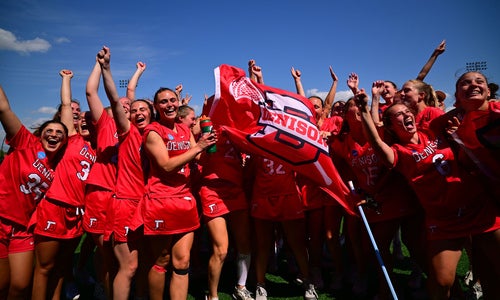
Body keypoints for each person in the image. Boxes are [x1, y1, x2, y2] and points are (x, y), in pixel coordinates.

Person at [355, 88, 500, 299]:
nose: (406, 115)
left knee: (492, 275)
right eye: (398, 114)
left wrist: (480, 95)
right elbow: (377, 143)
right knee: (441, 283)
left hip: (477, 209)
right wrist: (364, 110)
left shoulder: (432, 128)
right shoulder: (398, 153)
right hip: (444, 221)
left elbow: (463, 111)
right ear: (390, 125)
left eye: (407, 111)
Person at [330, 96, 425, 299]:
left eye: (358, 105)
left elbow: (397, 162)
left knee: (416, 245)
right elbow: (341, 169)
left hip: (398, 197)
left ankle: (436, 285)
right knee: (375, 249)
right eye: (351, 105)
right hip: (373, 202)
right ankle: (385, 289)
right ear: (344, 115)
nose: (356, 108)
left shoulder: (382, 133)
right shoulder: (342, 142)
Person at [142, 86, 217, 300]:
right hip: (161, 201)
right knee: (162, 260)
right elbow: (165, 166)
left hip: (185, 200)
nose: (169, 105)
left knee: (183, 262)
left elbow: (199, 158)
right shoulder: (153, 131)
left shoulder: (183, 129)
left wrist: (210, 146)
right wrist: (198, 147)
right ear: (156, 107)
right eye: (163, 102)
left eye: (172, 100)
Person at [31, 70, 96, 300]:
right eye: (82, 118)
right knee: (45, 268)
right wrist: (66, 80)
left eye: (90, 119)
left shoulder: (95, 150)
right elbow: (67, 105)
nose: (85, 121)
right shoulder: (71, 139)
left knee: (61, 267)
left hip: (76, 213)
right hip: (55, 207)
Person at [0, 85, 68, 299]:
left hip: (24, 228)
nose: (54, 135)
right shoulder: (25, 143)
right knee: (2, 284)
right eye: (50, 131)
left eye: (60, 133)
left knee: (20, 286)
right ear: (41, 135)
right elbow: (3, 109)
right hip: (0, 218)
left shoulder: (60, 164)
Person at [97, 46, 153, 300]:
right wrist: (106, 69)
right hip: (126, 204)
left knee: (142, 263)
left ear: (151, 115)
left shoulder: (157, 137)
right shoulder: (128, 132)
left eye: (144, 109)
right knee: (127, 267)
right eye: (134, 110)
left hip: (150, 205)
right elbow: (114, 99)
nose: (138, 112)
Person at [290, 65, 345, 290]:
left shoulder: (333, 123)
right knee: (313, 236)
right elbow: (303, 100)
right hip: (309, 189)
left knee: (332, 235)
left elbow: (331, 105)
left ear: (324, 109)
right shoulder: (303, 126)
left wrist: (335, 84)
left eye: (318, 106)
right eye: (310, 106)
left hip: (330, 189)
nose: (314, 109)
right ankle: (315, 273)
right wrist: (297, 82)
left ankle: (340, 272)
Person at [198, 97, 254, 300]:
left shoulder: (239, 130)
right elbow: (198, 157)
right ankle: (212, 296)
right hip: (213, 190)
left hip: (236, 190)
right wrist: (204, 140)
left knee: (244, 244)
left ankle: (241, 287)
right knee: (221, 249)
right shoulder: (207, 126)